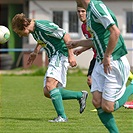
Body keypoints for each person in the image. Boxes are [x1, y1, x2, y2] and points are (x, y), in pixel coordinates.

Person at [67, 0, 133, 132]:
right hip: (100, 61)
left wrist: (107, 55)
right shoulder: (90, 11)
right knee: (97, 102)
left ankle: (132, 86)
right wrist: (78, 43)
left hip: (113, 60)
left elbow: (115, 32)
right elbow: (98, 40)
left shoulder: (96, 7)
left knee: (108, 107)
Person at [11, 13, 88, 122]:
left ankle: (62, 117)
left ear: (24, 25)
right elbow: (41, 40)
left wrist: (71, 56)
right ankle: (80, 95)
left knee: (50, 85)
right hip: (54, 56)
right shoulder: (34, 30)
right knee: (47, 91)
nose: (19, 35)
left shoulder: (42, 25)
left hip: (60, 53)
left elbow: (65, 35)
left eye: (19, 32)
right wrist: (35, 52)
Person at [74, 5, 97, 89]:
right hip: (96, 57)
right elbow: (91, 42)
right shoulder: (83, 27)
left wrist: (78, 44)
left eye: (83, 11)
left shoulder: (93, 24)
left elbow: (97, 42)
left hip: (104, 57)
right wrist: (81, 50)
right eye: (79, 11)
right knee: (90, 80)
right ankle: (99, 101)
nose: (80, 14)